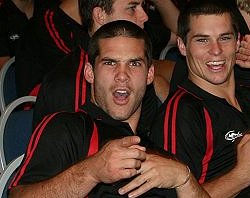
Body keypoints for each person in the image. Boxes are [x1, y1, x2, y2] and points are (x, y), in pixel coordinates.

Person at [9, 20, 210, 198]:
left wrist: (184, 178)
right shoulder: (68, 128)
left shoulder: (160, 146)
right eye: (110, 62)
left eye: (134, 63)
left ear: (149, 75)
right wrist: (91, 172)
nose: (122, 75)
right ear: (90, 72)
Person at [150, 0, 250, 197]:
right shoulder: (183, 113)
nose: (216, 50)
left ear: (238, 42)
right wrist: (243, 174)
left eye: (225, 38)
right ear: (182, 46)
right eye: (202, 40)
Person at [31, 0, 170, 130]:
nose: (144, 16)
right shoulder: (73, 84)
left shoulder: (140, 75)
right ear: (100, 15)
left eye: (134, 63)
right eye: (132, 8)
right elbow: (77, 151)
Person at [14, 0, 89, 96]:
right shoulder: (47, 22)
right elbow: (73, 67)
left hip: (70, 92)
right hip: (39, 100)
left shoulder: (88, 27)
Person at [0, 0, 33, 69]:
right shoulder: (3, 18)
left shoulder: (50, 9)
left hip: (53, 73)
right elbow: (5, 71)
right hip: (20, 75)